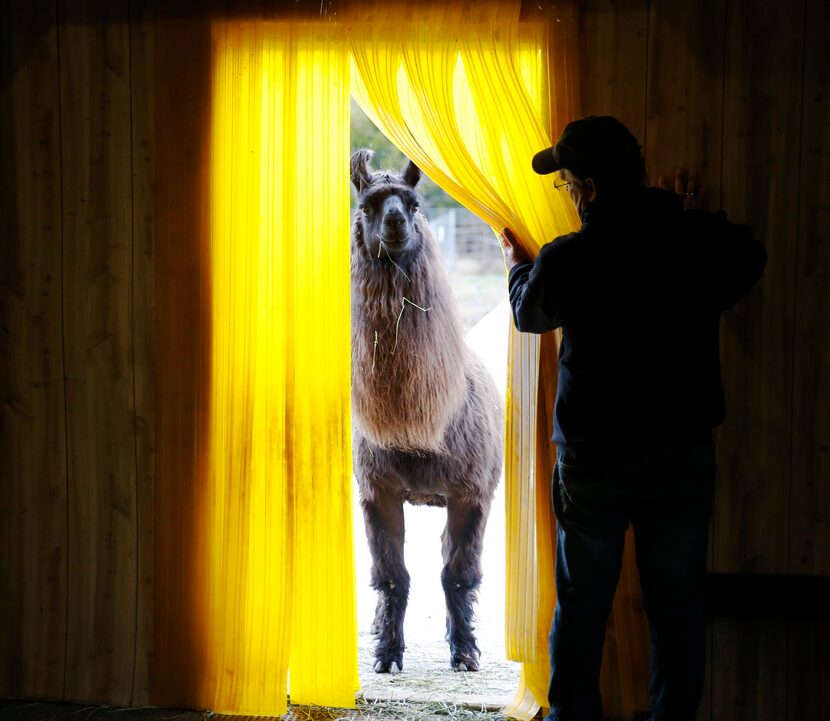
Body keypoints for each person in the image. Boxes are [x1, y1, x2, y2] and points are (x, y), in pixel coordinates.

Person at [499, 115, 767, 721]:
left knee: (583, 604)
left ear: (589, 189)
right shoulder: (691, 241)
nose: (568, 196)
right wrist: (689, 219)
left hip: (594, 458)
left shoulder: (571, 257)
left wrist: (518, 264)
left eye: (566, 185)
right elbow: (750, 255)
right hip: (681, 452)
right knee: (676, 608)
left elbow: (528, 313)